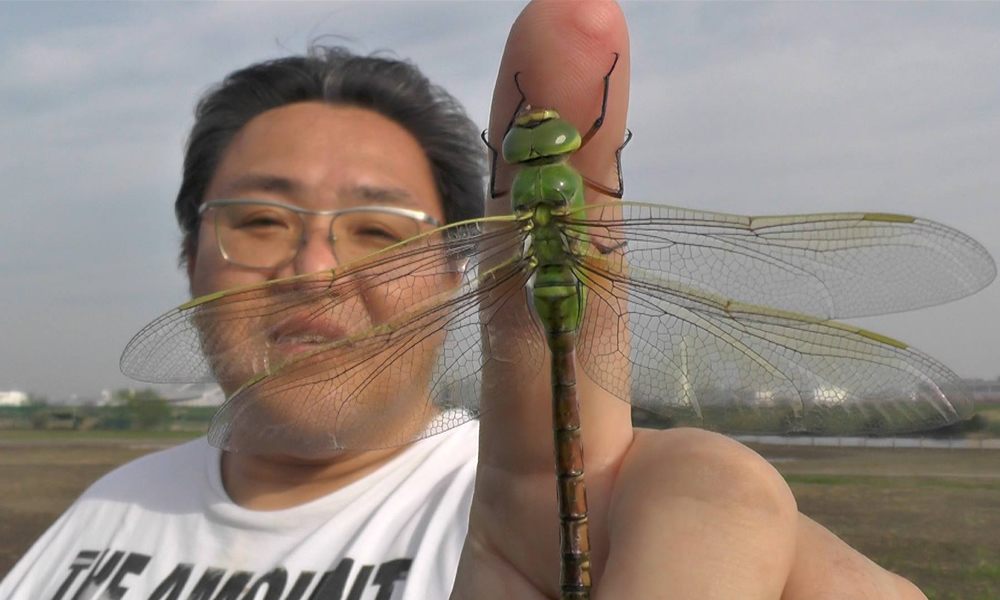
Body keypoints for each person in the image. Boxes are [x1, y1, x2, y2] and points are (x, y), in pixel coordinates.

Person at [1, 2, 927, 599]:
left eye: (380, 229)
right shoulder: (100, 512)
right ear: (187, 253)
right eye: (259, 219)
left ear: (459, 267)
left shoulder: (517, 520)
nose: (319, 267)